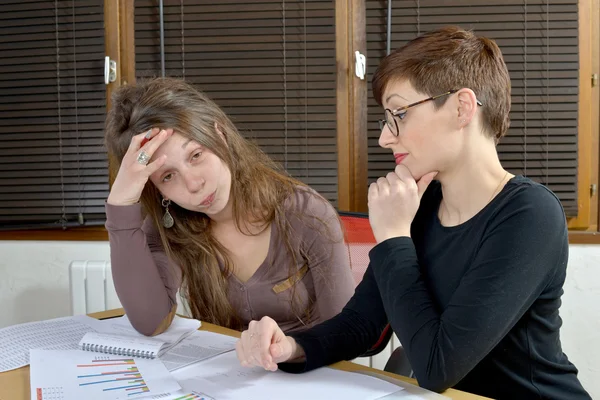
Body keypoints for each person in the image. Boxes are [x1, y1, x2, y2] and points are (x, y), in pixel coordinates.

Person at [234, 26, 591, 399]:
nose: (385, 138)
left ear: (461, 108)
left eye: (399, 114)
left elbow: (437, 367)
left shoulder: (530, 215)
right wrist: (291, 346)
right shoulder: (420, 206)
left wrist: (392, 236)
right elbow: (361, 322)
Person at [103, 77, 355, 337]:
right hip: (227, 373)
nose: (193, 184)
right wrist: (121, 203)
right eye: (168, 176)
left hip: (309, 370)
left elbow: (346, 333)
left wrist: (289, 353)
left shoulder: (306, 213)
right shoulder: (169, 226)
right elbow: (150, 322)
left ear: (220, 135)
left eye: (196, 155)